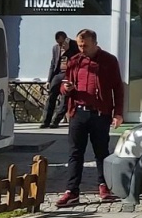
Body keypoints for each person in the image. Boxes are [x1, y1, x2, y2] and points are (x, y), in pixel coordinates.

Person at [56, 28, 124, 207]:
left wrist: (118, 113)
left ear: (95, 43)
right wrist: (66, 89)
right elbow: (63, 87)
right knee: (75, 153)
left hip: (99, 114)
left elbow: (118, 88)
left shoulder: (108, 61)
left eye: (85, 45)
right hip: (78, 112)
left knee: (101, 152)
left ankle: (104, 186)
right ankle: (72, 191)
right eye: (79, 45)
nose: (82, 49)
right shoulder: (74, 61)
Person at [41, 30, 77, 129]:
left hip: (69, 74)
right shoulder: (55, 48)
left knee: (65, 97)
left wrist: (68, 50)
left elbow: (77, 59)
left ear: (66, 39)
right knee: (51, 95)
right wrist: (49, 79)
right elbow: (53, 64)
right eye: (58, 43)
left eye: (62, 43)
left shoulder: (75, 46)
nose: (60, 45)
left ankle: (55, 120)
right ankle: (46, 121)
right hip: (59, 74)